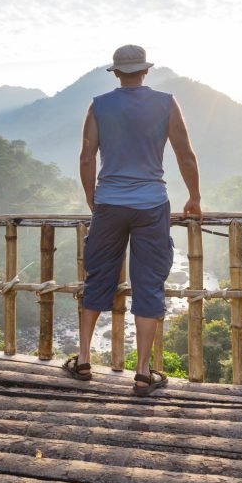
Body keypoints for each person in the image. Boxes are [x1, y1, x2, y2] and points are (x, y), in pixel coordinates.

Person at [63, 44, 202, 396]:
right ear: (146, 70)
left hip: (109, 203)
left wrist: (93, 200)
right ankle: (142, 372)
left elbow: (86, 157)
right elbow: (185, 154)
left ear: (116, 73)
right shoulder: (167, 103)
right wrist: (194, 197)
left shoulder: (99, 105)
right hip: (151, 205)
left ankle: (82, 360)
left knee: (98, 279)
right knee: (148, 284)